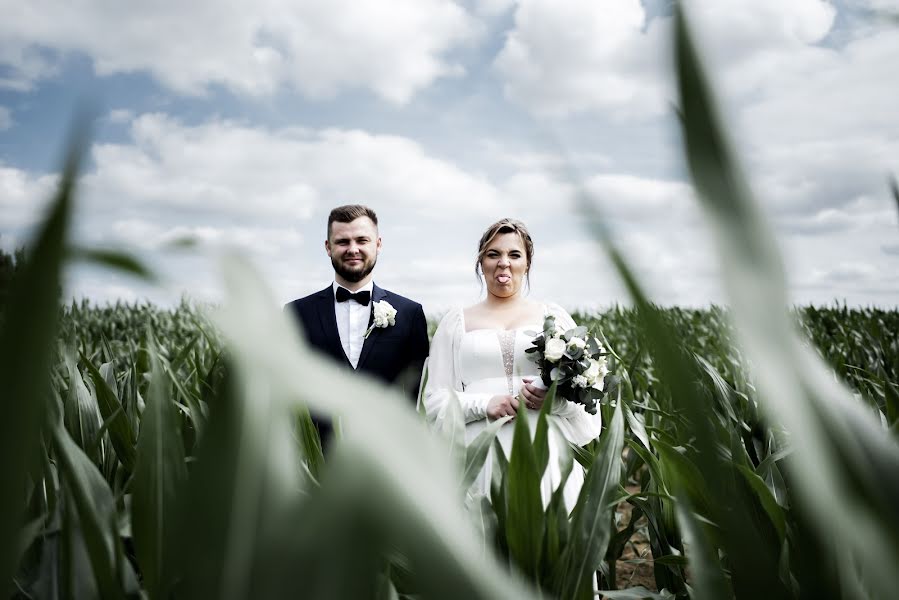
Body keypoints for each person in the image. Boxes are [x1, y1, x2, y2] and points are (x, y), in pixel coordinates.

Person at [420, 218, 602, 510]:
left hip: (545, 451)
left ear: (527, 264)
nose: (503, 263)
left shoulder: (553, 318)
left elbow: (584, 398)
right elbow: (434, 402)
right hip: (480, 454)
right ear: (481, 263)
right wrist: (485, 404)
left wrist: (550, 402)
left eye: (514, 255)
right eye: (493, 254)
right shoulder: (456, 323)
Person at [286, 204, 430, 444]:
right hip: (315, 456)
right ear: (328, 247)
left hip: (388, 454)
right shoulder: (296, 313)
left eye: (362, 240)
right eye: (343, 241)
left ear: (378, 244)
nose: (353, 249)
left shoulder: (410, 313)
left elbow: (419, 395)